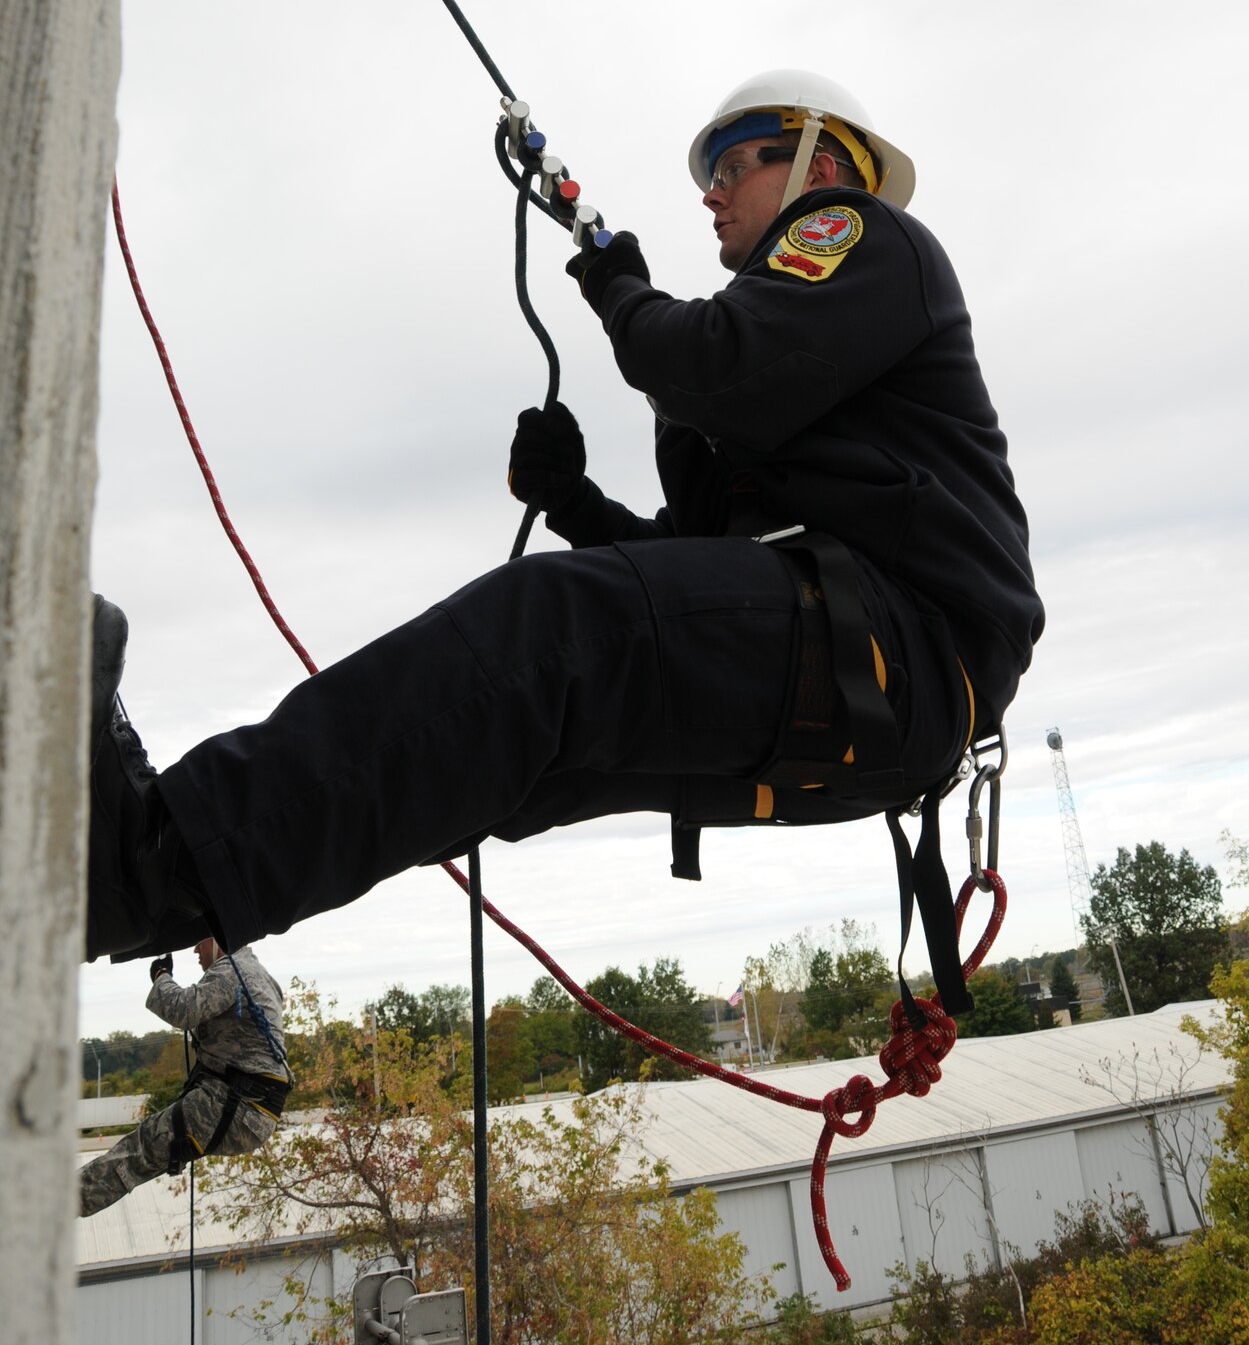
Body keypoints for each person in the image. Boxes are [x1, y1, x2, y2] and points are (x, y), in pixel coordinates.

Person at [85, 70, 1043, 1004]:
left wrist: (618, 290)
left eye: (735, 166)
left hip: (904, 648)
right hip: (858, 684)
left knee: (543, 628)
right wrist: (574, 500)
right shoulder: (797, 350)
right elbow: (701, 566)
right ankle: (158, 887)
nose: (711, 194)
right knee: (502, 766)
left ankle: (146, 857)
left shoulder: (859, 237)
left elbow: (707, 363)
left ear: (819, 169)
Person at [79, 929, 290, 1217]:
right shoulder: (257, 974)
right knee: (150, 1148)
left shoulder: (233, 972)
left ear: (218, 939)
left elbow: (183, 1009)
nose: (195, 951)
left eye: (199, 941)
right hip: (250, 1110)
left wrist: (161, 976)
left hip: (237, 1107)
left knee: (140, 1149)